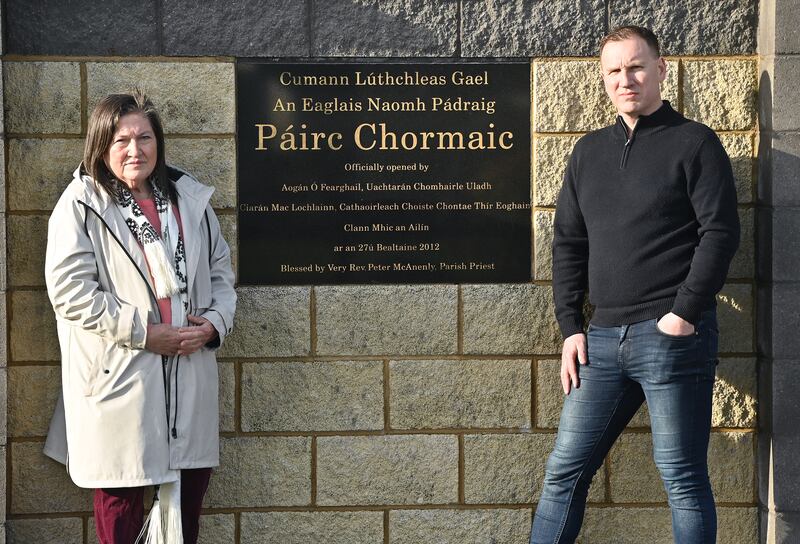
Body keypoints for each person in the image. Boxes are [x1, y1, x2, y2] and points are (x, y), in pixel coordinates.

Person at [530, 26, 740, 543]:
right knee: (563, 474)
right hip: (600, 341)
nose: (625, 80)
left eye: (636, 67)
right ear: (604, 79)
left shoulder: (694, 143)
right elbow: (569, 243)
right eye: (614, 71)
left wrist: (683, 313)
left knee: (682, 479)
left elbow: (720, 233)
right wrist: (570, 327)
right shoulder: (587, 153)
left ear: (661, 69)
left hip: (671, 338)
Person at [43, 91, 236, 544]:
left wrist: (213, 325)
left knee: (186, 511)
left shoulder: (188, 199)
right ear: (101, 146)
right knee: (121, 512)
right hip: (122, 381)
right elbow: (70, 292)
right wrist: (145, 334)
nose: (135, 150)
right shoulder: (82, 204)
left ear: (158, 142)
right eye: (122, 140)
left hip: (188, 378)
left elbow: (221, 274)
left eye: (145, 138)